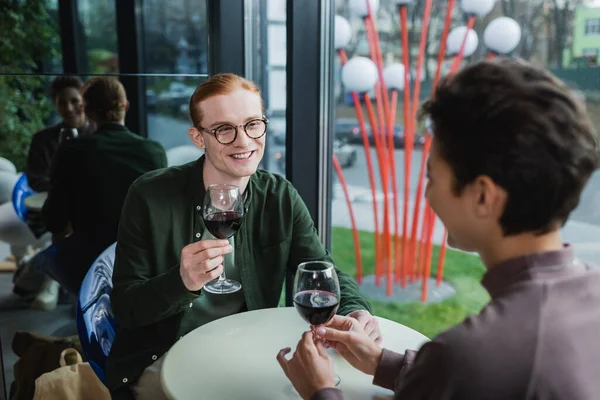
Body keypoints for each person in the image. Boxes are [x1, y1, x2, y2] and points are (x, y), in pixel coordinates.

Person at [278, 59, 600, 400]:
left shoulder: (465, 356)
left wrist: (319, 391)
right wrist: (382, 363)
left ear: (482, 196)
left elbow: (465, 371)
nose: (427, 194)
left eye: (431, 176)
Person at [106, 73, 380, 400]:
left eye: (253, 124)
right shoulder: (149, 195)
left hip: (247, 350)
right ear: (198, 137)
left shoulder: (279, 196)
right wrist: (181, 282)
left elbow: (322, 270)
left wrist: (354, 310)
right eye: (224, 129)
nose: (243, 141)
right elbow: (125, 307)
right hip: (164, 357)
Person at [38, 77, 167, 298]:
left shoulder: (72, 151)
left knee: (46, 258)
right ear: (125, 106)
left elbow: (53, 220)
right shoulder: (154, 152)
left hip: (92, 261)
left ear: (86, 111)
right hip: (146, 262)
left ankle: (82, 308)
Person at [26, 75, 93, 193]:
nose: (69, 108)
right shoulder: (42, 140)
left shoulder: (98, 135)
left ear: (84, 101)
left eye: (74, 101)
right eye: (62, 103)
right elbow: (36, 179)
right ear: (55, 105)